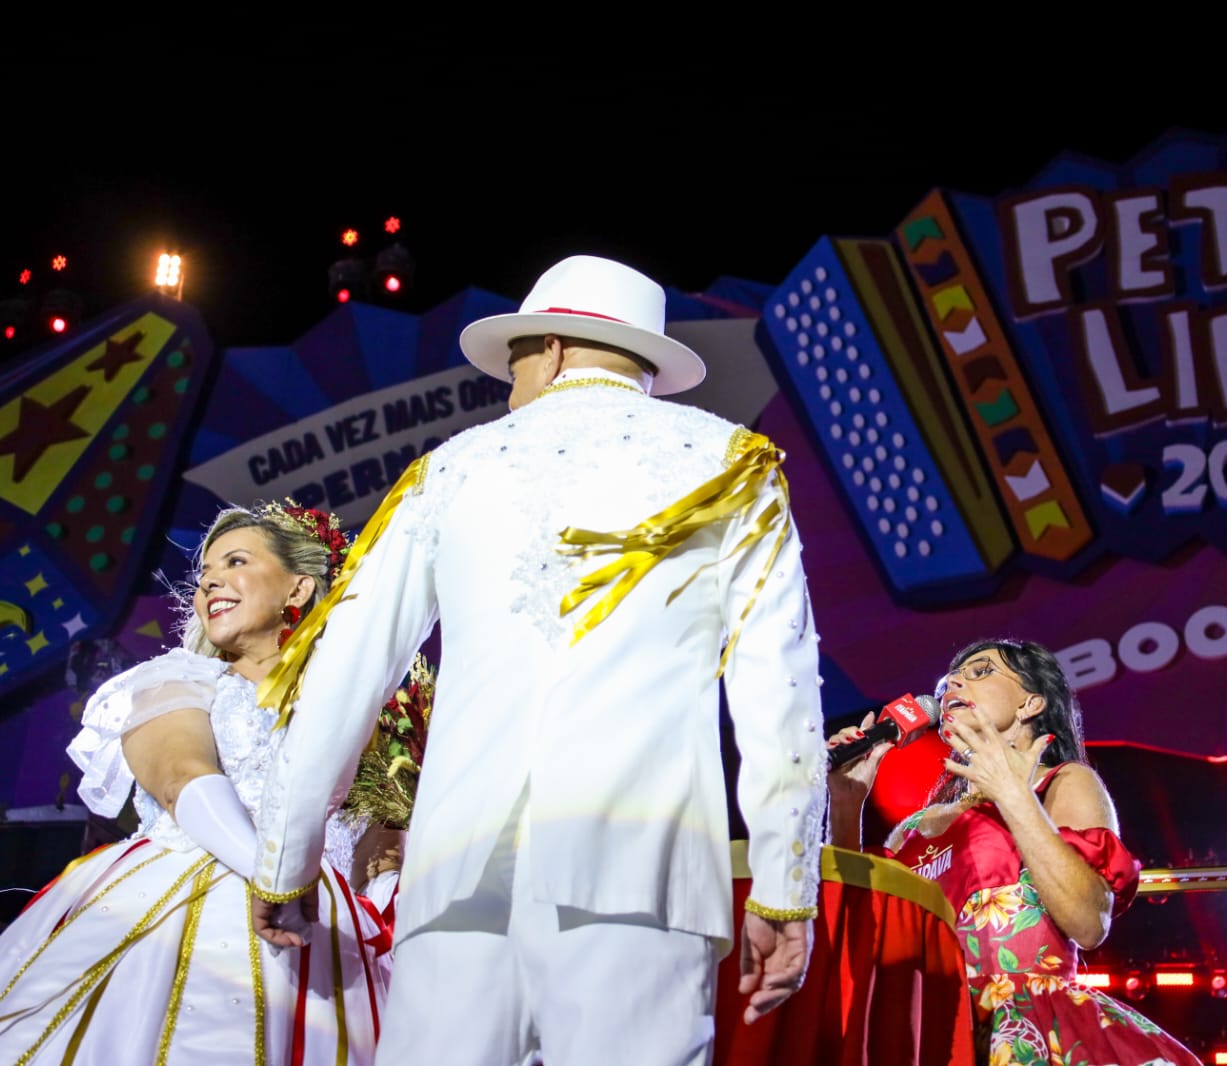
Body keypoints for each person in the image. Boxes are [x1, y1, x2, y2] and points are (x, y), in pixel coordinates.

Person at [250, 254, 825, 1066]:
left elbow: (345, 671)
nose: (508, 383)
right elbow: (778, 688)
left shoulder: (451, 469)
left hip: (456, 871)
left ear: (552, 349)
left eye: (514, 358)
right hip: (638, 866)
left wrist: (287, 859)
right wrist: (783, 886)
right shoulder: (732, 463)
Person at [0, 503, 393, 1065]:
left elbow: (378, 841)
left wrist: (389, 890)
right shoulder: (179, 679)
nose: (209, 582)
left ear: (298, 589)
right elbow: (181, 778)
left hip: (333, 938)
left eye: (236, 561)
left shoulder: (368, 713)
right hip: (195, 901)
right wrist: (276, 877)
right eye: (203, 575)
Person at [828, 639, 1202, 1066]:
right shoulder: (912, 831)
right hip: (933, 1032)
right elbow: (860, 942)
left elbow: (1089, 922)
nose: (953, 684)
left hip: (1030, 1034)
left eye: (981, 671)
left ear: (1030, 704)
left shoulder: (1062, 784)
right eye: (948, 680)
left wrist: (1012, 795)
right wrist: (846, 803)